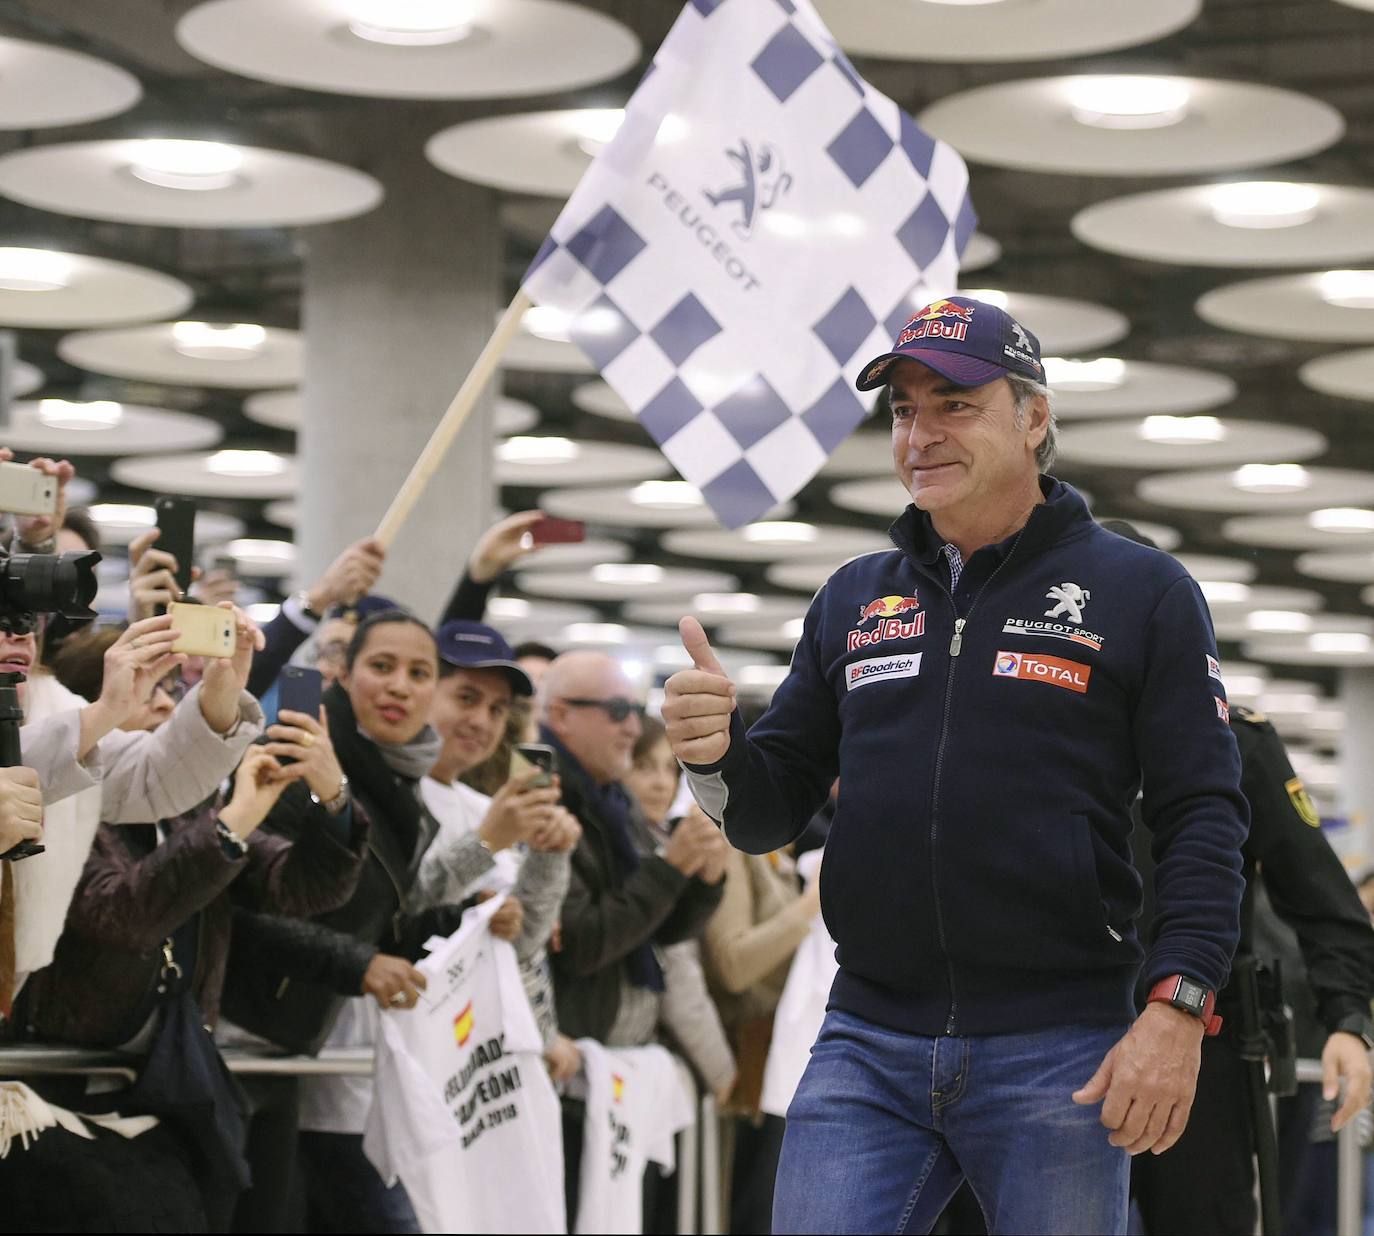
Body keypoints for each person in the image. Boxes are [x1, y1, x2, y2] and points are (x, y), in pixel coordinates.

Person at [663, 294, 1250, 1235]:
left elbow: (1205, 814)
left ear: (1035, 416)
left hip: (1060, 1046)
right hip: (866, 1038)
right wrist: (714, 753)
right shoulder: (855, 599)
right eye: (903, 409)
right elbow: (764, 812)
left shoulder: (1143, 592)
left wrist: (1178, 1007)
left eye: (956, 404)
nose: (920, 434)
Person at [1130, 700, 1374, 1235]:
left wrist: (1349, 1021)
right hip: (1045, 1035)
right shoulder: (1040, 716)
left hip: (1202, 1044)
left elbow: (1323, 900)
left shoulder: (1237, 742)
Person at [541, 650, 729, 1219]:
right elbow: (585, 942)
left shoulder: (613, 802)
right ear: (560, 715)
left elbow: (660, 933)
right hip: (569, 1070)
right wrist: (671, 869)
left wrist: (703, 881)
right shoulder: (547, 802)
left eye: (636, 709)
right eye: (618, 709)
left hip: (620, 1068)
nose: (631, 724)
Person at [414, 619, 581, 1073]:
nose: (481, 721)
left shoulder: (483, 806)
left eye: (497, 709)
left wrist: (550, 857)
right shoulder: (393, 795)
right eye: (467, 698)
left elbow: (526, 940)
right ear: (424, 689)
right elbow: (397, 912)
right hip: (408, 1051)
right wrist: (487, 842)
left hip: (481, 1060)